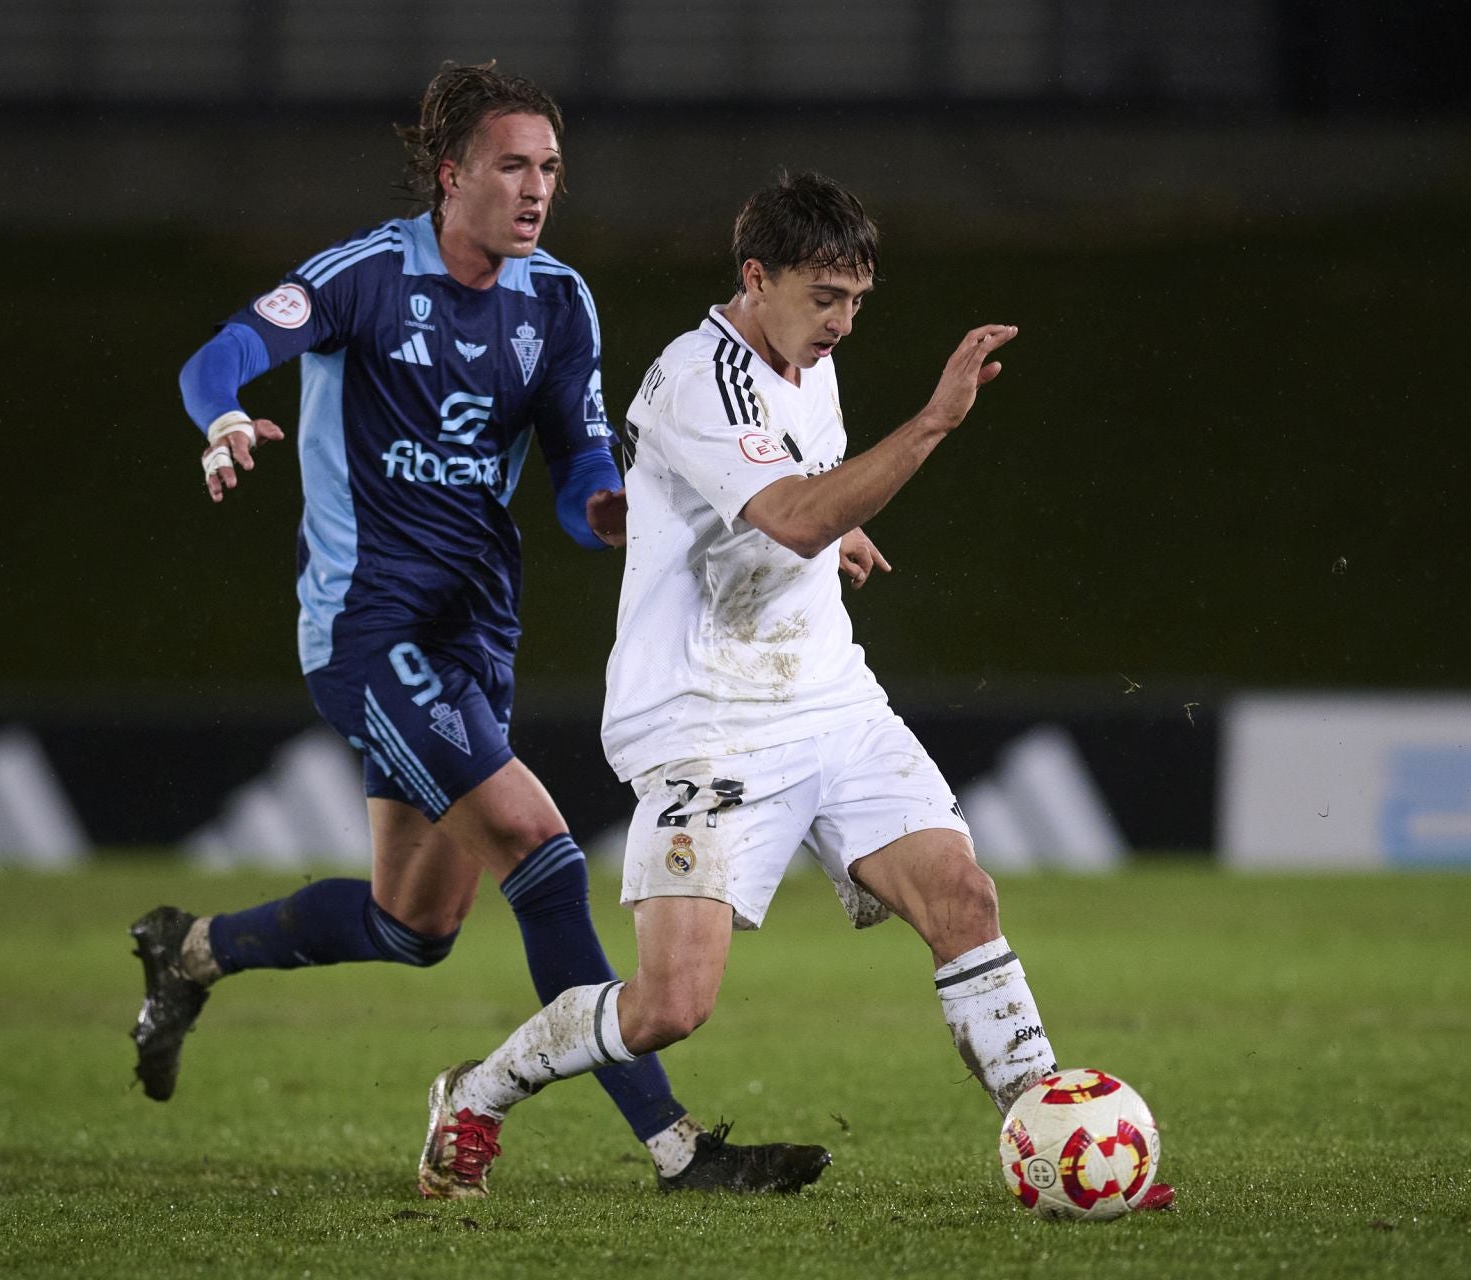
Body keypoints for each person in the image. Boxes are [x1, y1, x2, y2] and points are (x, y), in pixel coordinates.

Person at [131, 62, 829, 1196]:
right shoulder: (362, 275)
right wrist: (220, 416)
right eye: (513, 164)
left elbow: (577, 456)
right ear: (451, 175)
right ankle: (676, 1147)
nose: (537, 187)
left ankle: (189, 949)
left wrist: (601, 504)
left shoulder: (557, 300)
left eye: (550, 167)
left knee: (414, 921)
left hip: (471, 635)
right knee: (543, 854)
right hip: (366, 628)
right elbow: (219, 355)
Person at [415, 172, 1173, 1210]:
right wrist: (930, 427)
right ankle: (480, 1089)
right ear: (756, 275)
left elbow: (791, 497)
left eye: (858, 299)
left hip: (828, 698)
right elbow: (793, 511)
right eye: (825, 296)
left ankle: (1054, 1135)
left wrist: (832, 528)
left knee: (963, 895)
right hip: (706, 722)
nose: (843, 322)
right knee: (672, 1003)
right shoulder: (698, 377)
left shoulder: (806, 365)